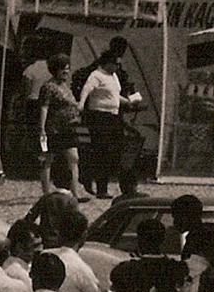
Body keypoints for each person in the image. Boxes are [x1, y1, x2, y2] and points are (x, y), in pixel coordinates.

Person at [79, 36, 145, 200]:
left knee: (114, 151)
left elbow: (115, 95)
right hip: (100, 116)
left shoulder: (114, 76)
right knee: (101, 150)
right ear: (107, 62)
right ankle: (98, 185)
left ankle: (104, 184)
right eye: (115, 63)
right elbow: (86, 90)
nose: (117, 66)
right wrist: (80, 105)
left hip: (113, 115)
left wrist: (129, 101)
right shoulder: (96, 75)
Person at [36, 54, 84, 199]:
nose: (66, 72)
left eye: (68, 69)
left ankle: (75, 192)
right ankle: (46, 192)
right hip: (54, 128)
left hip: (69, 128)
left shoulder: (65, 87)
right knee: (48, 158)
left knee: (73, 157)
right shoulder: (48, 87)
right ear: (55, 70)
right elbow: (44, 107)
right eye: (63, 70)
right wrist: (42, 128)